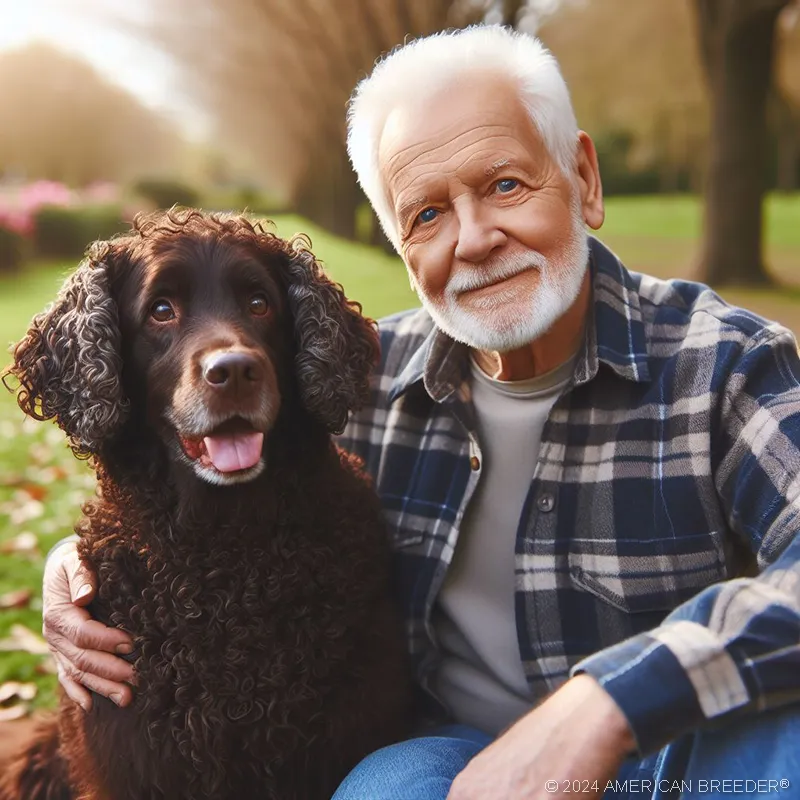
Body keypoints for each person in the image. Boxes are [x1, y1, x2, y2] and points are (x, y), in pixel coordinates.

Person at [41, 25, 800, 800]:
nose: (473, 239)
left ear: (583, 178)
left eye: (505, 185)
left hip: (674, 751)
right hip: (450, 764)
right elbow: (178, 494)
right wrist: (72, 574)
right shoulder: (351, 379)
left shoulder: (726, 363)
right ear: (400, 243)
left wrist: (610, 699)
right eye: (428, 213)